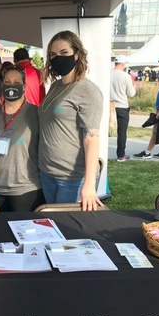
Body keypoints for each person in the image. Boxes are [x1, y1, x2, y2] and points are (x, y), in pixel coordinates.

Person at [38, 30, 104, 211]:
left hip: (72, 178)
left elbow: (91, 137)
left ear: (77, 55)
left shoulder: (87, 90)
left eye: (64, 53)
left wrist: (89, 184)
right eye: (53, 54)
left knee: (67, 232)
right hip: (47, 172)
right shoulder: (55, 86)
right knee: (53, 227)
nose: (57, 58)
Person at [0, 66, 45, 212]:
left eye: (16, 82)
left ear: (24, 86)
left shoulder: (37, 113)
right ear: (1, 84)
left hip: (26, 189)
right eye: (7, 82)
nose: (11, 86)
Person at [110, 55, 136, 162]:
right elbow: (131, 93)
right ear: (122, 64)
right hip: (122, 106)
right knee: (121, 132)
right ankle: (121, 155)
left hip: (109, 105)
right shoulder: (125, 76)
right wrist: (134, 87)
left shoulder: (107, 73)